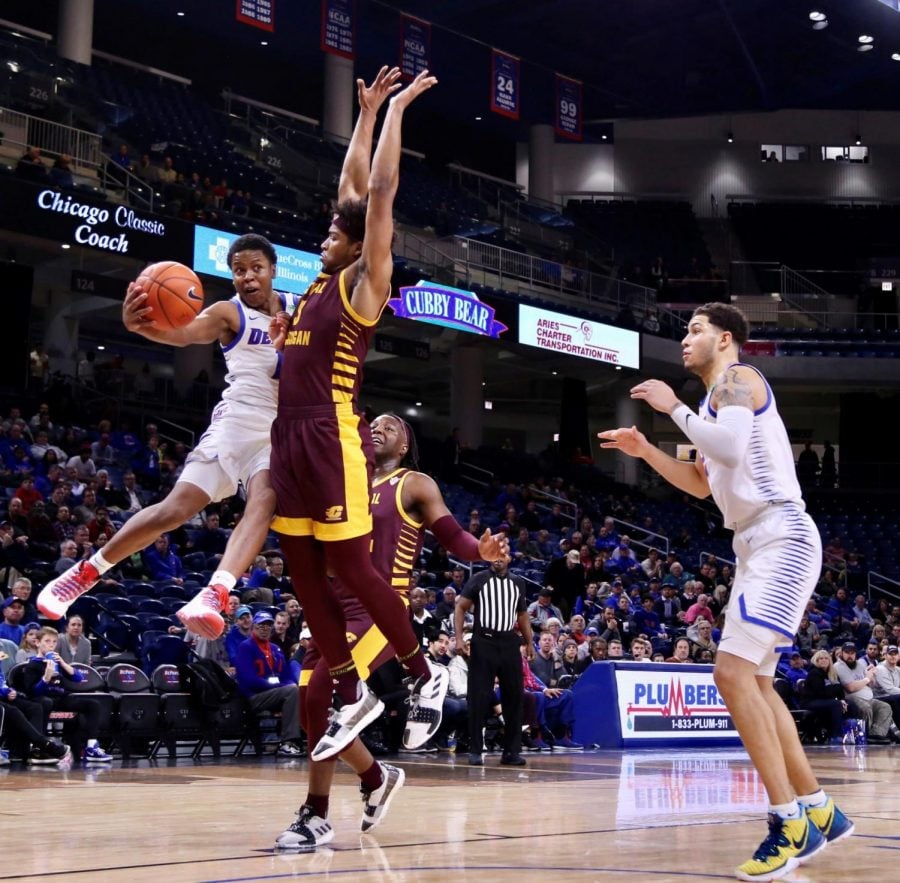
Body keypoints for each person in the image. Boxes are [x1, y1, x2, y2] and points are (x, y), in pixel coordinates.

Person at [598, 302, 852, 881]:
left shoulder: (739, 379)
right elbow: (701, 482)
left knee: (732, 676)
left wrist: (673, 407)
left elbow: (732, 451)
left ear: (727, 339)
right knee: (756, 681)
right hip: (756, 541)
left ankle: (787, 822)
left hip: (780, 535)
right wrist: (647, 451)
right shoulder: (717, 406)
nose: (684, 340)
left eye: (695, 331)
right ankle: (818, 809)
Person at [267, 69, 443, 764]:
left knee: (347, 561)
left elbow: (376, 194)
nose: (322, 237)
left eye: (331, 234)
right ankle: (353, 691)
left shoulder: (365, 283)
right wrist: (364, 116)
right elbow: (349, 185)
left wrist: (397, 112)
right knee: (304, 573)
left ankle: (425, 673)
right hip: (289, 434)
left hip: (330, 429)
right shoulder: (316, 279)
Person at [36, 233, 301, 638]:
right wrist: (142, 327)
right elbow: (184, 332)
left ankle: (215, 592)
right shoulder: (228, 314)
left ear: (273, 271)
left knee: (264, 502)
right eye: (239, 271)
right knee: (174, 510)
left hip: (280, 431)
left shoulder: (300, 309)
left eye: (256, 269)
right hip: (237, 423)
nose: (247, 277)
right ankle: (88, 571)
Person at [278, 408, 507, 849]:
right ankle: (375, 776)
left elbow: (453, 536)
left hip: (378, 608)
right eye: (374, 425)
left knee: (327, 689)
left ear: (404, 445)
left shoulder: (413, 483)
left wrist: (479, 549)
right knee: (310, 704)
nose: (379, 429)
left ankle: (316, 813)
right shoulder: (346, 484)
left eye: (391, 427)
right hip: (332, 605)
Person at [455, 556, 534, 767]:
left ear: (509, 558)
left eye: (503, 555)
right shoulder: (479, 579)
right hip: (484, 641)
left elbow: (523, 614)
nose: (498, 559)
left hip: (509, 642)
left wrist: (529, 642)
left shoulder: (518, 582)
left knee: (514, 697)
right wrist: (460, 638)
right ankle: (475, 749)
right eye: (494, 555)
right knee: (478, 696)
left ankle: (511, 751)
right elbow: (460, 607)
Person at [234, 611, 304, 756]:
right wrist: (282, 687)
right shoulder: (245, 647)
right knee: (291, 691)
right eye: (261, 625)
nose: (265, 629)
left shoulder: (275, 649)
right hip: (253, 696)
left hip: (275, 694)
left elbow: (287, 676)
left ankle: (310, 739)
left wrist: (289, 685)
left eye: (268, 625)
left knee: (300, 691)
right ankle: (288, 742)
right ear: (254, 627)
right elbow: (250, 680)